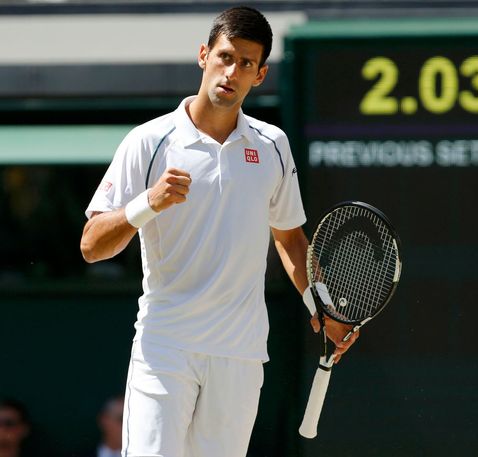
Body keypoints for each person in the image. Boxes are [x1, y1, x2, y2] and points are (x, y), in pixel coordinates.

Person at [79, 6, 358, 457]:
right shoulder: (147, 142)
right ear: (204, 55)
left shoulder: (273, 146)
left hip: (240, 355)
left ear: (260, 75)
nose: (232, 71)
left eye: (246, 63)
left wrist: (319, 303)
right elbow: (91, 246)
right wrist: (147, 203)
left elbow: (289, 239)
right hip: (165, 348)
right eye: (225, 57)